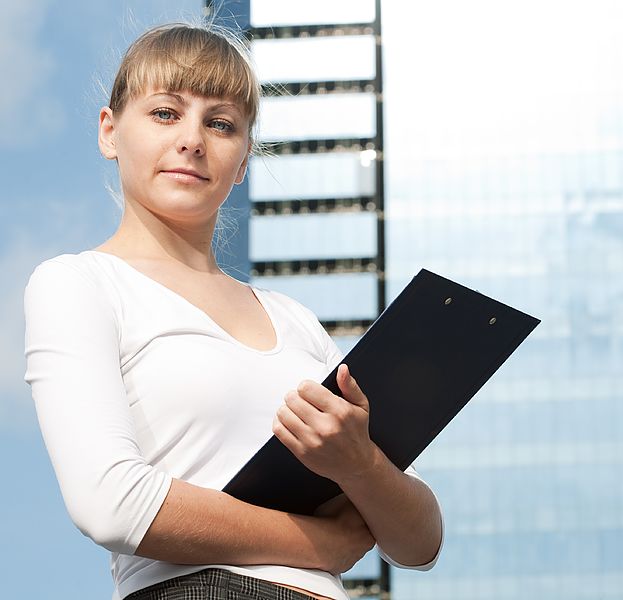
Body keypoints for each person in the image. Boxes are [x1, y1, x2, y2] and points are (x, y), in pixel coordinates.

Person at [23, 21, 443, 600]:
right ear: (110, 131)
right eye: (166, 113)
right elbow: (111, 502)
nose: (193, 140)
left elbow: (420, 545)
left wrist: (360, 466)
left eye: (220, 124)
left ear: (243, 160)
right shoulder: (79, 284)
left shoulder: (296, 320)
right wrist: (321, 545)